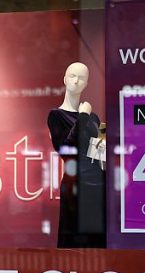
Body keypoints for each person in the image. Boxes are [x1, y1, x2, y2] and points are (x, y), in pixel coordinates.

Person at [47, 62, 106, 248]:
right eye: (72, 75)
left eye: (81, 77)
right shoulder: (56, 116)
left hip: (97, 184)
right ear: (64, 79)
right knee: (73, 242)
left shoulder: (93, 118)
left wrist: (104, 147)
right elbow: (65, 149)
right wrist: (82, 116)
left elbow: (96, 153)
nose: (76, 80)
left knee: (96, 243)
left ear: (86, 83)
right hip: (76, 184)